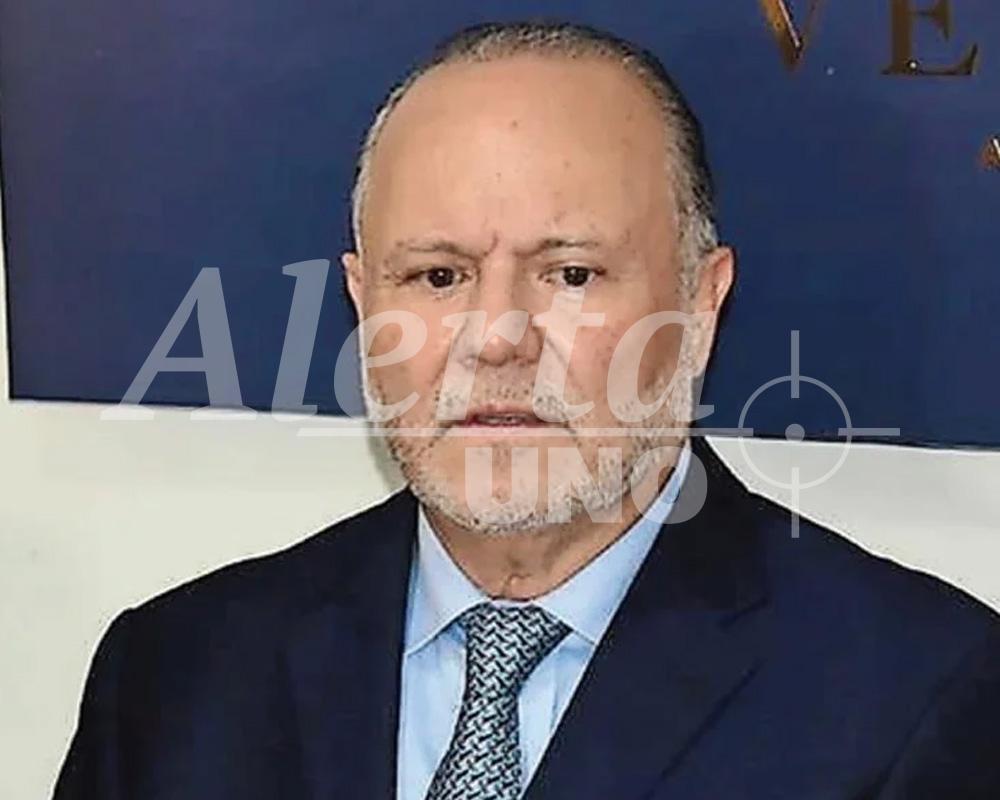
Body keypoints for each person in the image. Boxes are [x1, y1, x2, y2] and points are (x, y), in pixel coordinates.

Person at [54, 20, 1000, 800]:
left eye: (571, 274)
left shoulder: (918, 700)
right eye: (438, 276)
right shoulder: (174, 679)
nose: (498, 336)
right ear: (362, 304)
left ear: (701, 304)